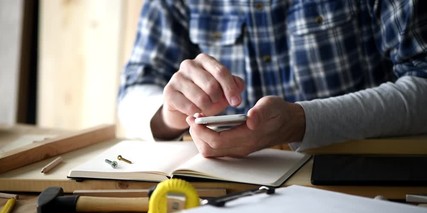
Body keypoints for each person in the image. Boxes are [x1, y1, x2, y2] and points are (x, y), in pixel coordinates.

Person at [118, 0, 427, 157]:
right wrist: (171, 114)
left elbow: (423, 82)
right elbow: (131, 95)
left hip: (361, 178)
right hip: (231, 189)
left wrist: (300, 122)